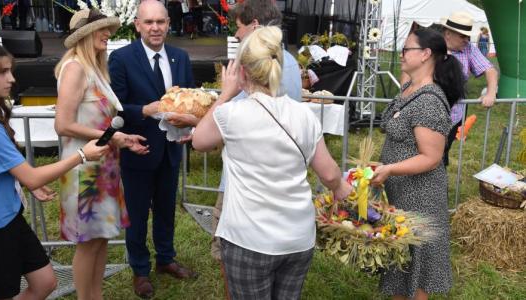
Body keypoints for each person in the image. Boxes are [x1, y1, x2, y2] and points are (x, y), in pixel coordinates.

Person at [192, 26, 352, 300]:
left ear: (242, 71)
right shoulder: (304, 115)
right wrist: (343, 190)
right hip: (297, 238)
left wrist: (225, 93)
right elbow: (329, 174)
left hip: (248, 240)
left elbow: (199, 141)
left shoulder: (231, 114)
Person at [0, 41, 109, 300]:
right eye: (1, 72)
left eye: (10, 70)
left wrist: (26, 181)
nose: (11, 79)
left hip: (8, 215)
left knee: (45, 282)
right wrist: (81, 155)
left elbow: (4, 165)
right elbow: (30, 174)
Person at [54, 8, 149, 299]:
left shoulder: (94, 67)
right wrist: (110, 137)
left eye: (108, 29)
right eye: (101, 30)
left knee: (100, 240)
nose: (108, 34)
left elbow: (98, 124)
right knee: (88, 243)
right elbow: (63, 125)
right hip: (85, 171)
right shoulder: (75, 68)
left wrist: (119, 139)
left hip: (103, 168)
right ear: (85, 35)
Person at [108, 0, 197, 298]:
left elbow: (190, 99)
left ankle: (166, 259)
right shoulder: (121, 58)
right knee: (136, 214)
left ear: (169, 23)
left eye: (160, 22)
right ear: (137, 25)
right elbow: (116, 108)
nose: (155, 28)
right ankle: (140, 270)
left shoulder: (180, 57)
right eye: (149, 22)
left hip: (171, 148)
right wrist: (144, 110)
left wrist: (190, 127)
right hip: (139, 149)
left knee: (165, 209)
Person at [371, 28, 466, 300]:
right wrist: (384, 163)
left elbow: (431, 157)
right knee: (401, 268)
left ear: (425, 54)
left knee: (416, 270)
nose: (401, 54)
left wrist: (390, 168)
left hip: (420, 198)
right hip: (401, 193)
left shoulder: (429, 101)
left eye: (406, 49)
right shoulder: (409, 88)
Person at [210, 0, 303, 261]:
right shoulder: (292, 63)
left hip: (242, 184)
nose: (237, 35)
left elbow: (222, 126)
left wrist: (202, 119)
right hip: (280, 180)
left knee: (230, 255)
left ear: (254, 25)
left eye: (239, 28)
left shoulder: (253, 70)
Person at [441, 11, 498, 166]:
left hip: (453, 115)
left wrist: (491, 93)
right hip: (427, 112)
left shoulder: (469, 49)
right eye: (462, 36)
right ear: (448, 33)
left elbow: (490, 70)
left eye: (468, 36)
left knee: (442, 153)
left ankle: (436, 185)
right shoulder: (431, 46)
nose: (467, 40)